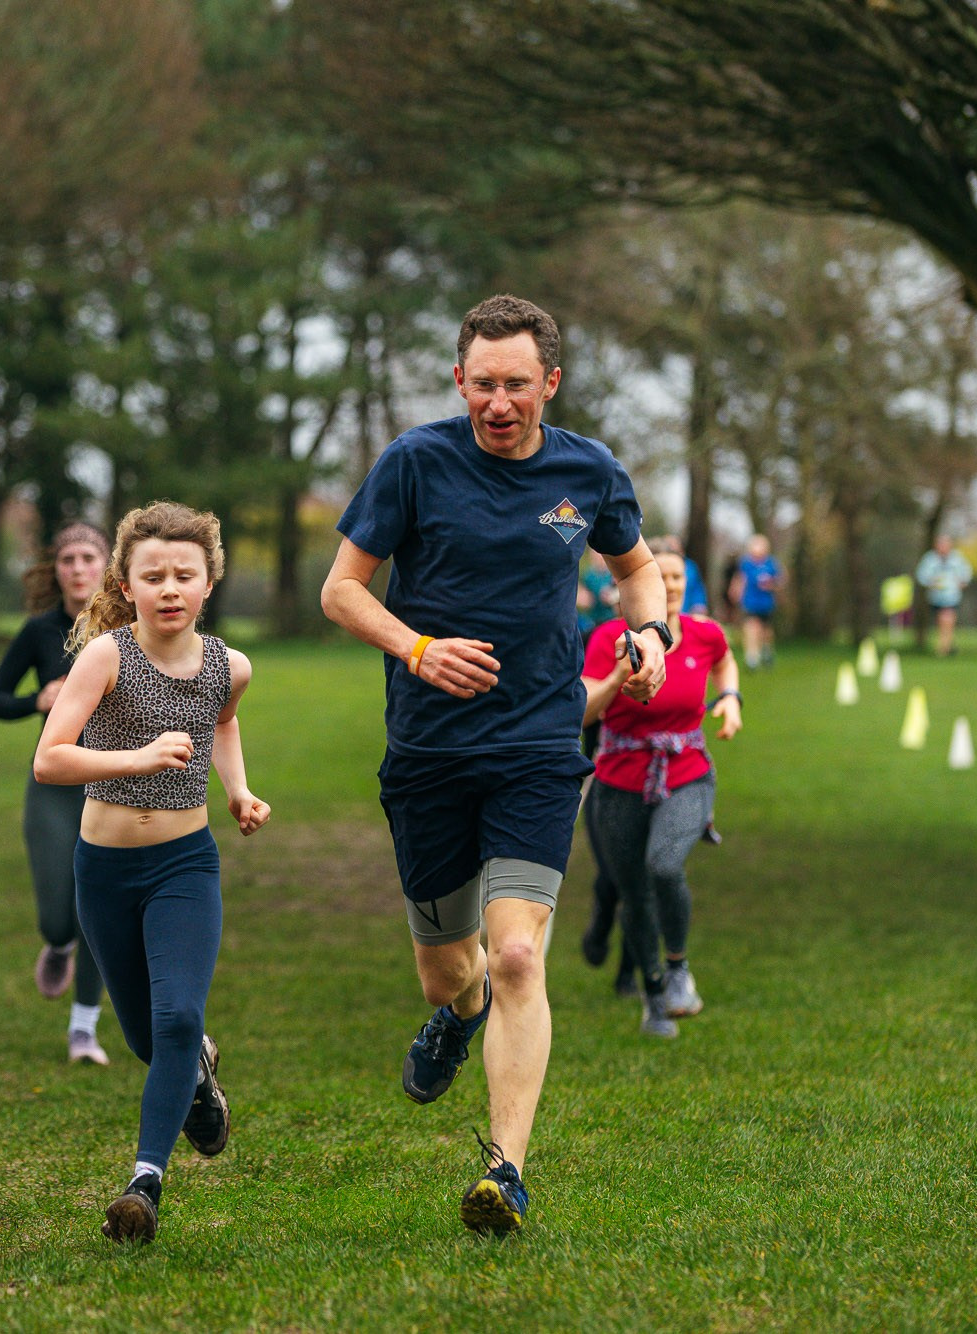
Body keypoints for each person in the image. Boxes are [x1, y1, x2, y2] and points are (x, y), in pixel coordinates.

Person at [321, 294, 666, 1237]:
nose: (498, 403)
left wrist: (650, 633)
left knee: (517, 954)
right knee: (450, 972)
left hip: (538, 745)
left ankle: (505, 1172)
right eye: (482, 385)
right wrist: (418, 648)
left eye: (516, 385)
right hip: (429, 751)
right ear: (460, 380)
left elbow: (637, 570)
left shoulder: (588, 471)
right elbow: (341, 590)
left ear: (549, 382)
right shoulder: (415, 462)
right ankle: (457, 1013)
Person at [33, 501, 271, 1244]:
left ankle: (145, 1183)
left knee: (175, 1018)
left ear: (209, 583)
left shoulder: (230, 666)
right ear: (126, 585)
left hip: (184, 865)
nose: (170, 588)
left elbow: (222, 722)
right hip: (104, 870)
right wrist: (137, 758)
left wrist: (237, 790)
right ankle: (196, 1071)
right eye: (154, 575)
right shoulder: (105, 657)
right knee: (147, 1037)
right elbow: (50, 759)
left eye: (185, 575)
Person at [580, 551, 741, 1037]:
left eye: (676, 576)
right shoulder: (608, 638)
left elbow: (725, 661)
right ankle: (653, 997)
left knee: (665, 865)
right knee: (633, 893)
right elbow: (583, 711)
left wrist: (730, 698)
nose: (669, 585)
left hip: (687, 772)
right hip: (619, 780)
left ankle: (677, 968)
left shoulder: (705, 634)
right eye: (660, 576)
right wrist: (616, 677)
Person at [0, 521, 114, 1065]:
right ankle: (57, 944)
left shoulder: (128, 629)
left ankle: (84, 1029)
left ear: (108, 565)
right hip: (55, 785)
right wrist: (37, 700)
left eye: (89, 557)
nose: (78, 568)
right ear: (54, 570)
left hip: (115, 786)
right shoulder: (39, 632)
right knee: (60, 916)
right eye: (67, 559)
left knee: (98, 912)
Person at [729, 534, 783, 669]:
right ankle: (752, 657)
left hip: (766, 603)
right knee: (751, 627)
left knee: (766, 631)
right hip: (750, 601)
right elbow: (740, 579)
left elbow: (781, 580)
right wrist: (735, 591)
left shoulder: (771, 563)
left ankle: (766, 651)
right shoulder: (746, 563)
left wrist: (772, 585)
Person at [916, 534, 973, 657]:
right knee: (942, 620)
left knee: (947, 617)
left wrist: (963, 582)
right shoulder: (929, 559)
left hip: (952, 596)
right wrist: (930, 582)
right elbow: (921, 575)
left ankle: (943, 647)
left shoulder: (957, 558)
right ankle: (947, 644)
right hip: (936, 597)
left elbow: (966, 572)